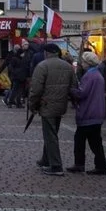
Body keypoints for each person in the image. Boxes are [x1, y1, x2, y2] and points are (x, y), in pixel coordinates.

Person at [28, 43, 76, 176]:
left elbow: (36, 89)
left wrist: (32, 105)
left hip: (47, 104)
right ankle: (46, 159)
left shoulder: (42, 66)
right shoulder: (68, 66)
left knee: (50, 136)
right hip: (61, 105)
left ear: (46, 53)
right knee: (52, 133)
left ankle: (56, 166)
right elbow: (74, 86)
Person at [67, 51, 106, 175]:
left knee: (81, 140)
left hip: (89, 113)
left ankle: (81, 164)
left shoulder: (90, 76)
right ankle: (99, 165)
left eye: (83, 61)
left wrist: (72, 90)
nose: (81, 64)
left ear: (87, 63)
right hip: (97, 113)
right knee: (95, 141)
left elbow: (82, 93)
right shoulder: (97, 75)